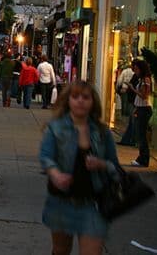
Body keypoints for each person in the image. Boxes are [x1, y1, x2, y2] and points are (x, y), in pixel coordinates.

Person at [40, 81, 120, 255]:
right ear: (68, 100)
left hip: (92, 204)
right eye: (75, 97)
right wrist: (56, 174)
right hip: (61, 202)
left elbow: (115, 167)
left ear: (93, 102)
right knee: (61, 250)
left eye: (85, 97)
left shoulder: (102, 132)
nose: (80, 101)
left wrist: (101, 164)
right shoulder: (56, 128)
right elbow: (46, 156)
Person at [131, 60, 153, 167]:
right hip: (141, 109)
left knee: (142, 135)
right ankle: (142, 158)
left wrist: (133, 89)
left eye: (136, 69)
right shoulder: (142, 79)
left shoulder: (146, 80)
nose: (135, 71)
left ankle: (143, 159)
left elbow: (144, 96)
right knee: (140, 135)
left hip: (144, 109)